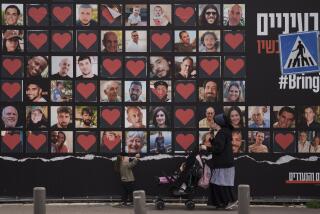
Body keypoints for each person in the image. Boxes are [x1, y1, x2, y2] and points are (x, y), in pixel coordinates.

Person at [207, 114, 237, 209]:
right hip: (226, 163)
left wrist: (207, 148)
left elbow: (218, 149)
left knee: (221, 183)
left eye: (214, 122)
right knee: (220, 183)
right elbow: (220, 145)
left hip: (222, 164)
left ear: (218, 123)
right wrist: (212, 141)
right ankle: (223, 202)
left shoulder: (221, 133)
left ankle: (229, 201)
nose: (213, 124)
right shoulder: (225, 132)